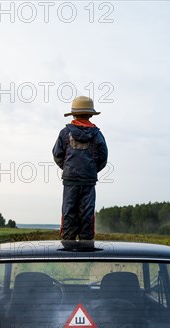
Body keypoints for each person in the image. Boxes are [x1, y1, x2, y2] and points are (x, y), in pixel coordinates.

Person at [52, 96, 108, 241]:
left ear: (74, 114)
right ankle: (87, 245)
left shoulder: (64, 133)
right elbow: (103, 159)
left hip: (70, 180)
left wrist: (68, 168)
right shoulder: (98, 135)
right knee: (87, 214)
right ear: (90, 115)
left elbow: (57, 154)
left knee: (68, 212)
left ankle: (67, 244)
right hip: (89, 180)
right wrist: (91, 171)